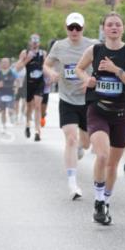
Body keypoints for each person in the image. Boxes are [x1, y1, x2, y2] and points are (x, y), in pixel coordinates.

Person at [75, 13, 125, 226]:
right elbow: (78, 68)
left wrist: (116, 70)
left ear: (122, 29)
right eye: (110, 24)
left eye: (118, 25)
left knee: (113, 165)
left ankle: (106, 201)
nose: (114, 27)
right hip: (98, 110)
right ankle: (97, 202)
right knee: (102, 155)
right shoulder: (95, 50)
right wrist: (88, 79)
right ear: (103, 29)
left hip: (121, 113)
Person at [44, 13, 95, 200]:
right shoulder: (59, 46)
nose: (74, 31)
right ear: (66, 28)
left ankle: (82, 147)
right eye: (71, 27)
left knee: (87, 142)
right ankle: (73, 183)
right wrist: (52, 73)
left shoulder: (92, 45)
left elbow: (103, 65)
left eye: (78, 28)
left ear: (83, 28)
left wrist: (90, 80)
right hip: (67, 99)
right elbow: (47, 64)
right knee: (71, 139)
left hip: (87, 99)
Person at [16, 34, 47, 141]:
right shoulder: (25, 53)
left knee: (38, 106)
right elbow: (17, 68)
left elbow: (47, 67)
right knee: (29, 107)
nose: (35, 43)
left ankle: (38, 132)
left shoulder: (43, 53)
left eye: (37, 41)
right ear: (30, 42)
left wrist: (50, 78)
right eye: (33, 41)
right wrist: (26, 60)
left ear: (39, 43)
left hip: (39, 82)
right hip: (28, 83)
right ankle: (28, 125)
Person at [0, 57, 18, 130]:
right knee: (3, 111)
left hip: (10, 92)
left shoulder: (13, 72)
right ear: (1, 63)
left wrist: (16, 88)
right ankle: (3, 125)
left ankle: (12, 117)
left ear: (9, 64)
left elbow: (17, 81)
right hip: (1, 93)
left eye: (6, 62)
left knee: (10, 110)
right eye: (3, 62)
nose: (4, 63)